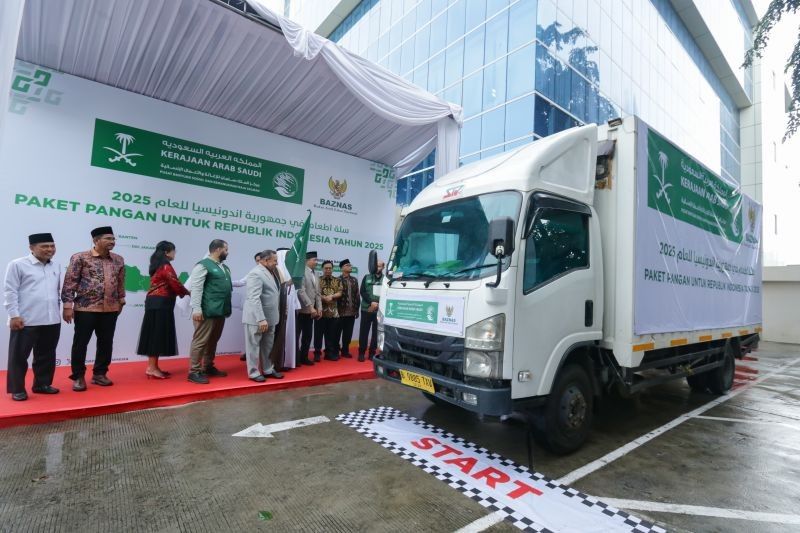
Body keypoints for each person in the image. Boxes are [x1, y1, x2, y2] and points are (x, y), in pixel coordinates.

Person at [62, 226, 125, 391]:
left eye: (113, 239)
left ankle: (100, 374)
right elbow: (70, 282)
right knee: (80, 343)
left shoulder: (118, 259)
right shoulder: (80, 258)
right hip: (85, 308)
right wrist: (67, 305)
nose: (112, 242)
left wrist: (121, 300)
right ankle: (78, 376)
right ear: (96, 240)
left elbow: (120, 282)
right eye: (108, 239)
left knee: (106, 342)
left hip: (110, 309)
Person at [3, 233, 62, 401]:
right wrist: (14, 315)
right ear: (31, 248)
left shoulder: (56, 266)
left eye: (52, 246)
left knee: (46, 355)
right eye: (44, 246)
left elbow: (56, 292)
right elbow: (10, 291)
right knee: (19, 356)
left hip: (51, 319)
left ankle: (41, 385)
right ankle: (17, 389)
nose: (49, 249)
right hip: (25, 320)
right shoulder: (18, 265)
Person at [135, 241, 189, 379]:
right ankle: (151, 368)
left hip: (156, 303)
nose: (175, 253)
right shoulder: (166, 266)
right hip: (160, 304)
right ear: (167, 252)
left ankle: (154, 366)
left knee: (155, 334)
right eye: (174, 250)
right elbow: (175, 283)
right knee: (156, 335)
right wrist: (187, 292)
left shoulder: (158, 265)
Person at [188, 239, 233, 384]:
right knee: (200, 341)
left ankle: (208, 366)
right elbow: (196, 288)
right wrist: (196, 309)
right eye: (226, 249)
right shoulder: (202, 265)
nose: (228, 252)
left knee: (213, 340)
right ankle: (194, 371)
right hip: (206, 311)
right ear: (218, 250)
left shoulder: (224, 268)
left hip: (220, 311)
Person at [242, 250, 284, 382]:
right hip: (257, 318)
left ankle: (268, 369)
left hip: (271, 317)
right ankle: (253, 372)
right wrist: (261, 319)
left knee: (268, 346)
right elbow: (254, 298)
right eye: (275, 260)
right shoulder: (255, 273)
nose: (277, 263)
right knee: (253, 346)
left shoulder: (272, 273)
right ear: (265, 261)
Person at [274, 248, 299, 370]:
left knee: (288, 335)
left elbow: (294, 291)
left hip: (290, 308)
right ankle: (277, 363)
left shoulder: (290, 271)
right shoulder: (275, 271)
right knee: (278, 335)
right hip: (277, 308)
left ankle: (286, 361)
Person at [296, 251, 321, 366]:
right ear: (307, 261)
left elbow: (318, 294)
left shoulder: (316, 274)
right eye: (314, 260)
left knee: (307, 335)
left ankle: (304, 357)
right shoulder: (302, 272)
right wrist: (310, 306)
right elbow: (301, 291)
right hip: (301, 310)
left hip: (312, 312)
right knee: (296, 336)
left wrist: (319, 308)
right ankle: (295, 358)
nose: (316, 262)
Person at [359, 259, 384, 361]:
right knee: (364, 332)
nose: (377, 268)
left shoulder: (386, 279)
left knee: (375, 333)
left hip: (379, 310)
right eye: (376, 266)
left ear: (383, 267)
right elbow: (362, 291)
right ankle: (361, 353)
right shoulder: (367, 277)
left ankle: (372, 353)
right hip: (367, 309)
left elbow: (387, 294)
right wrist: (371, 302)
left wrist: (378, 304)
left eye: (379, 266)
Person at [318, 260, 342, 360]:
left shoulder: (337, 280)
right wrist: (323, 298)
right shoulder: (317, 279)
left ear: (332, 269)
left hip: (333, 313)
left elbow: (340, 293)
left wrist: (331, 296)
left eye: (330, 268)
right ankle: (317, 354)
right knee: (318, 335)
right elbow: (315, 292)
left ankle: (329, 353)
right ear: (322, 269)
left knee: (331, 335)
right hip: (320, 312)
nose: (328, 270)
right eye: (326, 268)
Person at [336, 259, 360, 359]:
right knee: (337, 333)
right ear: (342, 268)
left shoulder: (354, 280)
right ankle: (335, 350)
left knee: (348, 333)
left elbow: (357, 295)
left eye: (350, 265)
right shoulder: (337, 280)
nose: (350, 267)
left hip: (351, 312)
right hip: (340, 312)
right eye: (347, 265)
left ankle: (345, 350)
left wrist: (357, 310)